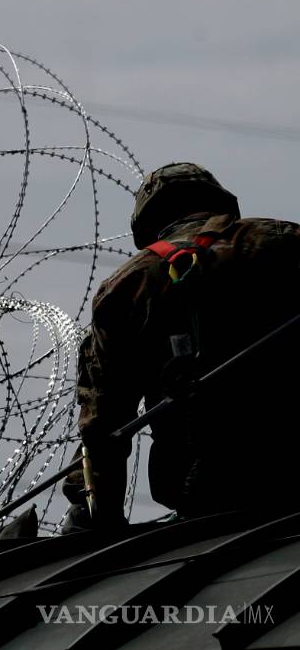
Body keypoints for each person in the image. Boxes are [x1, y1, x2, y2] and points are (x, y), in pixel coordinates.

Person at [63, 162, 300, 528]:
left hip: (205, 489)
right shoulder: (283, 240)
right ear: (220, 203)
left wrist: (97, 514)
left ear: (146, 224)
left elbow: (104, 422)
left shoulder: (127, 286)